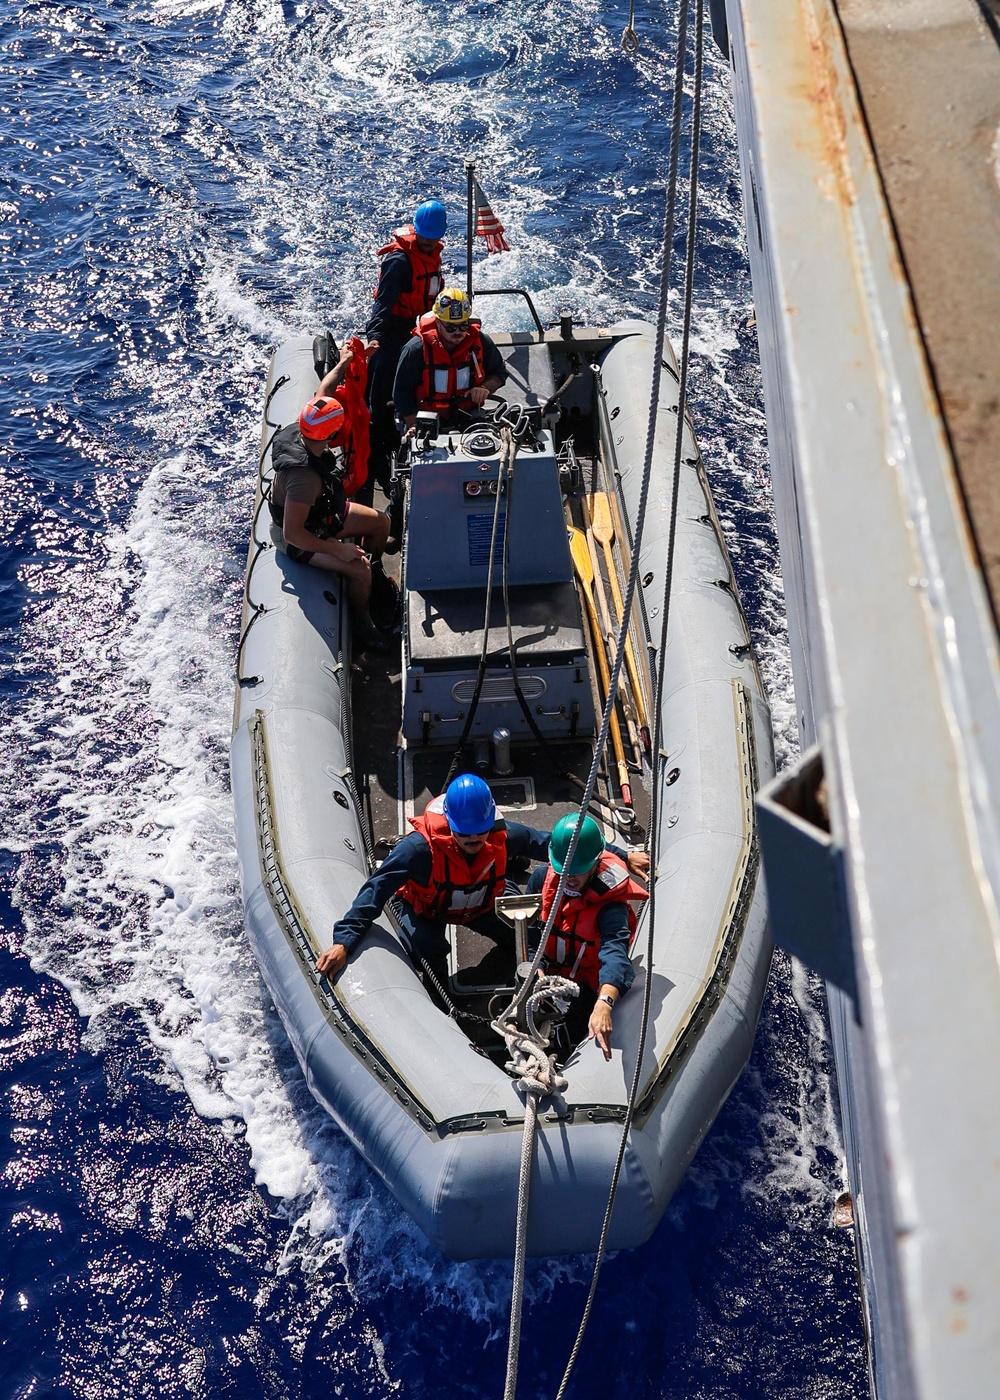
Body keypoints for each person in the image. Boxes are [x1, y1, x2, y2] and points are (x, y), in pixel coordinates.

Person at [315, 774, 553, 984]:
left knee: (526, 936)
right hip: (427, 908)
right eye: (465, 833)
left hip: (482, 903)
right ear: (449, 824)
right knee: (427, 949)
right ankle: (441, 998)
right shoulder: (417, 850)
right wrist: (344, 942)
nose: (475, 838)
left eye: (481, 831)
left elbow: (547, 844)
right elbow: (376, 888)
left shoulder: (503, 834)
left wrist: (586, 859)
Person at [269, 340, 392, 653]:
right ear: (330, 434)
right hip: (303, 535)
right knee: (358, 566)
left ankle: (373, 581)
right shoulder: (304, 479)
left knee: (381, 524)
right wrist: (338, 550)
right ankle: (363, 621)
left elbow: (326, 387)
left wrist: (349, 361)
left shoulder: (306, 425)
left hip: (324, 513)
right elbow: (293, 533)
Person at [526, 813, 650, 1061]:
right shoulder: (541, 880)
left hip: (584, 983)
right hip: (548, 974)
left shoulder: (611, 907)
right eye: (565, 870)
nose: (570, 878)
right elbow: (531, 937)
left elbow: (615, 953)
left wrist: (604, 1002)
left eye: (578, 871)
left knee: (564, 1039)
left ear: (595, 863)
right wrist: (535, 967)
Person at [364, 199, 448, 502]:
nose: (427, 242)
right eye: (424, 237)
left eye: (433, 238)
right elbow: (383, 303)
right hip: (394, 329)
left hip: (420, 325)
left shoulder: (431, 254)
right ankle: (380, 456)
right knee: (381, 395)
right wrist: (376, 340)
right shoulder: (399, 262)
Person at [392, 287, 508, 433]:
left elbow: (499, 373)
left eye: (463, 325)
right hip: (427, 419)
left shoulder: (481, 342)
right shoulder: (415, 350)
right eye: (451, 327)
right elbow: (402, 394)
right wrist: (414, 425)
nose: (458, 332)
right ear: (438, 322)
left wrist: (485, 388)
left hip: (468, 416)